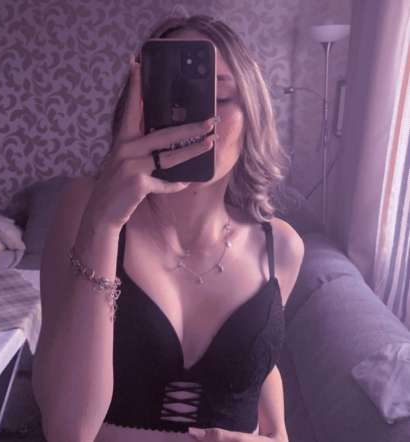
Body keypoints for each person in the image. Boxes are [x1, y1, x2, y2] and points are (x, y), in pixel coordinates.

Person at [32, 14, 304, 442]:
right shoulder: (84, 207)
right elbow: (67, 430)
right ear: (138, 111)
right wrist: (105, 223)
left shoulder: (281, 246)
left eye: (221, 97)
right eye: (173, 96)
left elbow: (260, 370)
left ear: (253, 116)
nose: (196, 119)